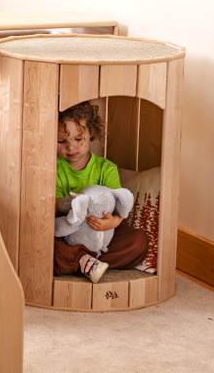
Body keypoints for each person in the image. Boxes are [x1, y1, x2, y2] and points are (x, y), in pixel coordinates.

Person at [54, 101, 148, 283]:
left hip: (102, 237)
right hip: (68, 234)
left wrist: (113, 222)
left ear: (91, 133)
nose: (71, 147)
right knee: (44, 242)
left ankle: (82, 262)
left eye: (78, 139)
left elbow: (120, 206)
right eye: (62, 141)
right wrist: (72, 206)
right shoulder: (54, 168)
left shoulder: (106, 168)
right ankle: (81, 260)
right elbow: (54, 208)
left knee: (139, 241)